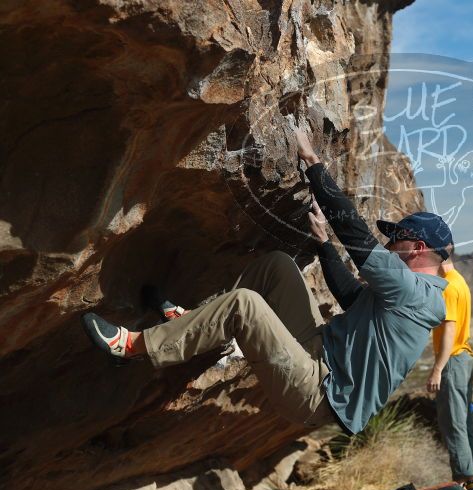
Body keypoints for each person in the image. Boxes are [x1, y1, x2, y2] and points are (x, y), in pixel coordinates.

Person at [81, 129, 450, 434]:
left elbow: (356, 234)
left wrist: (313, 163)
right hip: (316, 353)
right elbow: (352, 296)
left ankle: (132, 347)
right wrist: (323, 243)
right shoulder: (410, 297)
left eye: (396, 237)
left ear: (417, 248)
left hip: (319, 391)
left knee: (246, 304)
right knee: (276, 267)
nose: (389, 242)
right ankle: (193, 323)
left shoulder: (415, 292)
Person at [419, 243, 473, 485]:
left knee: (453, 421)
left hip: (454, 359)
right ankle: (470, 474)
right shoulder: (461, 281)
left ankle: (464, 480)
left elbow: (449, 329)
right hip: (464, 357)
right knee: (462, 420)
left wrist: (437, 369)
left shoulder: (449, 287)